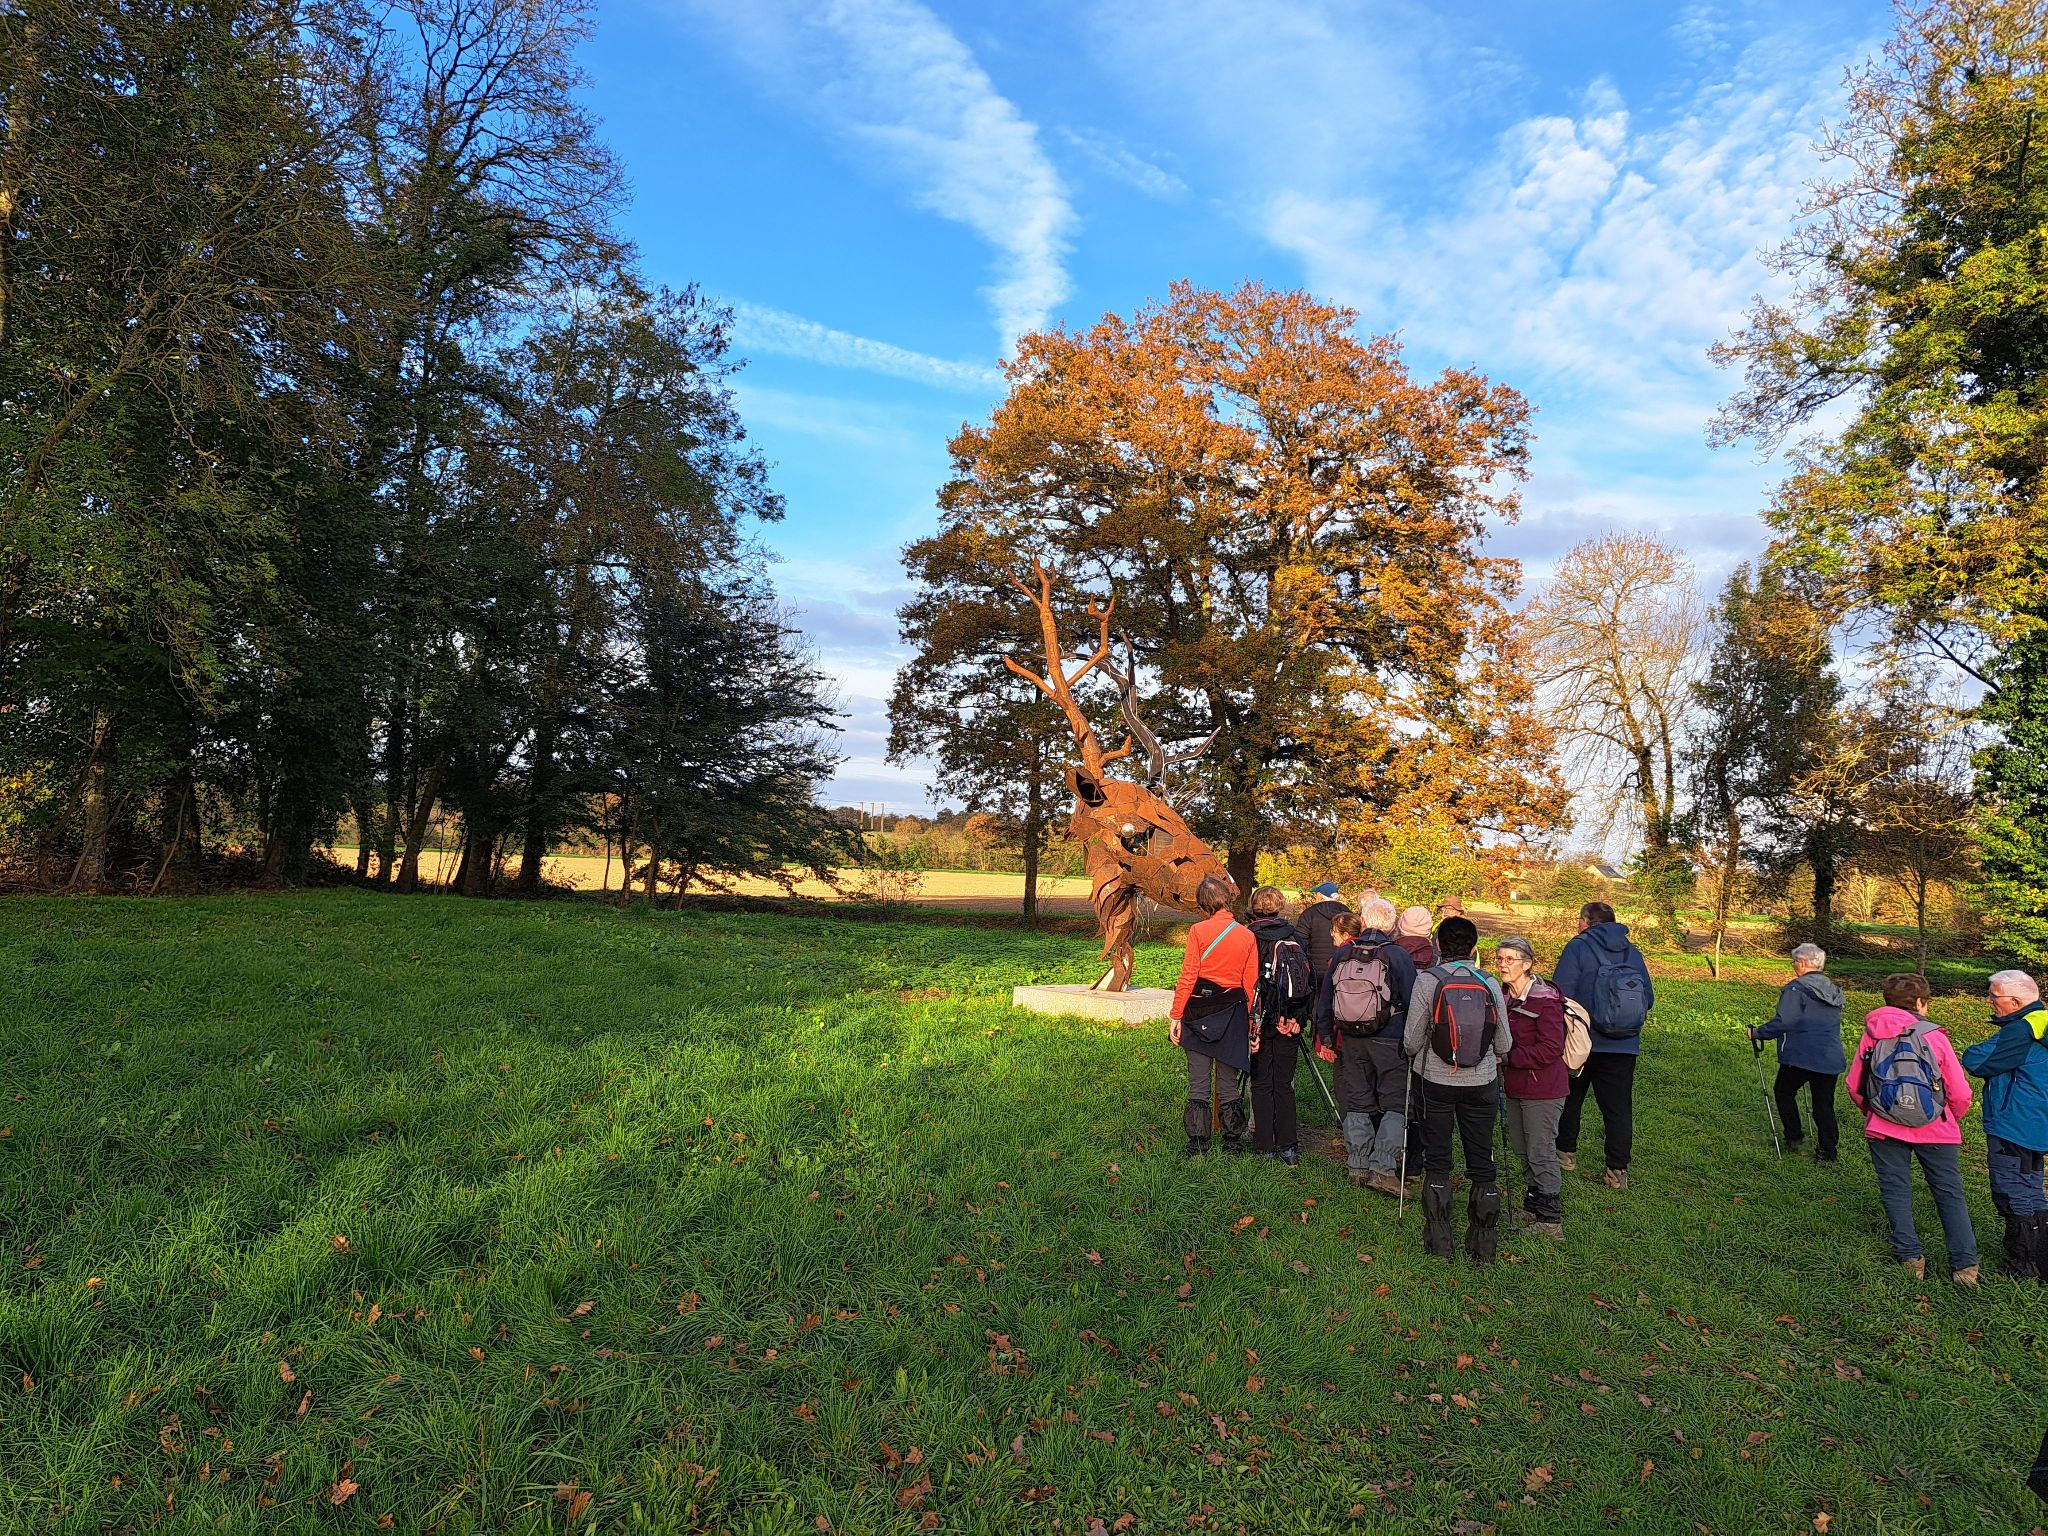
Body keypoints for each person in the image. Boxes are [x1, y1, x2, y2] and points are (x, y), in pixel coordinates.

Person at [1845, 973, 1978, 1286]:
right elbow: (1960, 1092)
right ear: (1920, 1003)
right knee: (1949, 1193)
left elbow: (1854, 1085)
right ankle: (1965, 1266)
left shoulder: (1872, 1034)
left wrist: (1875, 1113)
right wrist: (1948, 1117)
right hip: (1937, 1129)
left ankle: (1910, 1259)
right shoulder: (1934, 1036)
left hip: (1884, 1128)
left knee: (1895, 1190)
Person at [1403, 916, 1512, 1262]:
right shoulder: (1489, 982)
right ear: (1475, 947)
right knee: (1482, 1159)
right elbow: (1504, 1043)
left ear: (1438, 946)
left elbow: (1411, 1040)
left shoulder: (1428, 980)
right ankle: (1483, 1246)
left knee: (1438, 1159)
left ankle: (1439, 1243)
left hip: (1435, 1082)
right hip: (1481, 1083)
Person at [1312, 899, 1418, 1195]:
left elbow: (1326, 999)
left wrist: (1326, 1036)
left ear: (1363, 920)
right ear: (1392, 925)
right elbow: (1413, 1001)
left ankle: (1357, 1165)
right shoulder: (1398, 955)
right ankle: (1382, 1167)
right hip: (1390, 1039)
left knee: (1357, 1100)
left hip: (1351, 1038)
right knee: (1394, 1102)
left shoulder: (1343, 952)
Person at [1553, 901, 1653, 1190]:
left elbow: (1561, 994)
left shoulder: (1577, 947)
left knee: (1571, 1098)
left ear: (1585, 922)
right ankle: (1617, 1171)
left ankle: (1565, 1155)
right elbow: (1648, 998)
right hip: (1624, 1045)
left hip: (1582, 1042)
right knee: (1618, 1108)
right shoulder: (1632, 952)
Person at [1961, 969, 2048, 1281]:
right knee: (2033, 1190)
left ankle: (2022, 1265)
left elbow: (1978, 1061)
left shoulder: (2021, 1031)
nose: (1989, 1001)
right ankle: (2041, 1260)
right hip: (2037, 1122)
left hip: (2013, 1123)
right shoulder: (2041, 1024)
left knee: (2012, 1192)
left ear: (2015, 1002)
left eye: (1994, 996)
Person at [1169, 875, 1260, 1157]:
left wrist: (1176, 1015)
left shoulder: (1198, 931)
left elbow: (1188, 976)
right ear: (1227, 899)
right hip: (1233, 1013)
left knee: (1199, 1082)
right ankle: (1232, 1143)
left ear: (1203, 903)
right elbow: (1251, 985)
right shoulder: (1247, 935)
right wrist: (1252, 1024)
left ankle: (1198, 1145)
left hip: (1198, 1012)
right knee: (1228, 1083)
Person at [1749, 942, 1847, 1162]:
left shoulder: (1796, 989)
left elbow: (1785, 1021)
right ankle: (1828, 1152)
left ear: (1802, 963)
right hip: (1829, 1056)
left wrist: (1757, 1033)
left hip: (1801, 1055)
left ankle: (1793, 1136)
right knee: (1823, 1104)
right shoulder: (1831, 989)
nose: (1793, 965)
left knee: (1784, 1091)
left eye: (1793, 962)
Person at [1496, 936, 1567, 1239]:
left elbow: (1551, 1048)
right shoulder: (1503, 996)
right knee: (1522, 1148)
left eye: (1510, 959)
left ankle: (1551, 1221)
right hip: (1515, 1086)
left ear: (1527, 964)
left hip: (1543, 1089)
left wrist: (1509, 1057)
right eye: (1499, 958)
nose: (1502, 964)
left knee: (1540, 1150)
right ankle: (1534, 1205)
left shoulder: (1545, 1000)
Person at [1244, 886, 1309, 1165]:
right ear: (1280, 905)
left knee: (1260, 1082)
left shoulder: (1249, 937)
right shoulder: (1295, 937)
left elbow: (1247, 982)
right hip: (1289, 1020)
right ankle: (1288, 1146)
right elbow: (1308, 981)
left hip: (1260, 1020)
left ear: (1253, 906)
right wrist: (1299, 1018)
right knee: (1284, 1083)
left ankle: (1264, 1144)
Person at [1295, 882, 1352, 992]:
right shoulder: (1348, 914)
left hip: (1315, 970)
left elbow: (1300, 942)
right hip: (1342, 968)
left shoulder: (1309, 914)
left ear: (1320, 897)